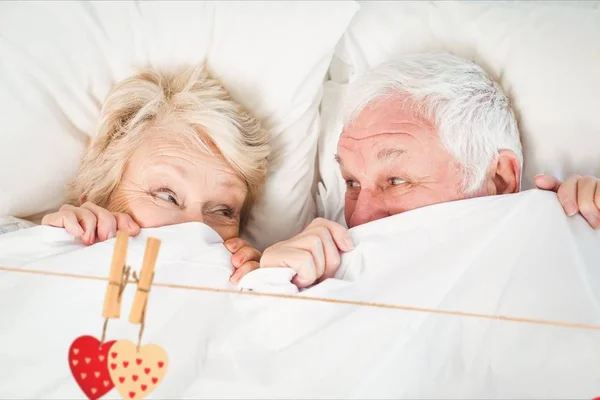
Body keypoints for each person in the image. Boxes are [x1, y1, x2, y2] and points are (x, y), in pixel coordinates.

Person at [260, 52, 600, 289]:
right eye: (351, 182)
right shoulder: (319, 279)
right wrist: (271, 287)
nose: (360, 218)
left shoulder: (562, 264)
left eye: (397, 180)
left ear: (498, 180)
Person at [41, 65, 269, 284]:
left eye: (223, 211)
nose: (196, 230)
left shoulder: (249, 284)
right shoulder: (25, 249)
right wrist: (52, 251)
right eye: (167, 196)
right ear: (97, 196)